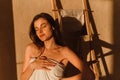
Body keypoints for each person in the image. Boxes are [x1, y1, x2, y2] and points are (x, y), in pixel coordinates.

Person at [20, 12, 95, 80]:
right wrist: (32, 66)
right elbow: (22, 78)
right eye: (36, 29)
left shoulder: (64, 51)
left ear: (52, 27)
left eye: (44, 26)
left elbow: (89, 75)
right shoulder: (31, 49)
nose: (40, 31)